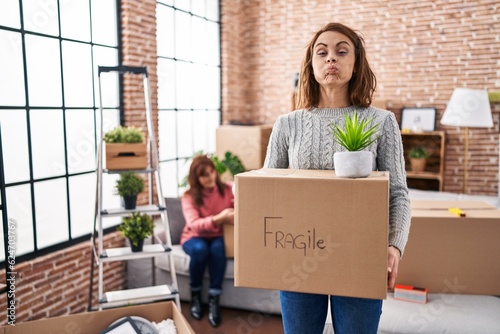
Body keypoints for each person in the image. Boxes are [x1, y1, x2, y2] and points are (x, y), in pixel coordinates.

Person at [264, 22, 411, 334]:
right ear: (311, 65)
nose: (331, 58)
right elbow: (266, 193)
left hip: (361, 255)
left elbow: (397, 193)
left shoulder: (381, 122)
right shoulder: (286, 125)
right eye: (322, 52)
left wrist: (394, 246)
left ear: (356, 62)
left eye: (341, 51)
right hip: (297, 257)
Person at [180, 154, 234, 328]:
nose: (210, 177)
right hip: (193, 237)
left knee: (218, 249)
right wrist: (220, 218)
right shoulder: (188, 196)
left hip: (218, 236)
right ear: (196, 178)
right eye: (204, 175)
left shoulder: (227, 189)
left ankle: (214, 300)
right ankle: (195, 295)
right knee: (200, 250)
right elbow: (194, 225)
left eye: (212, 172)